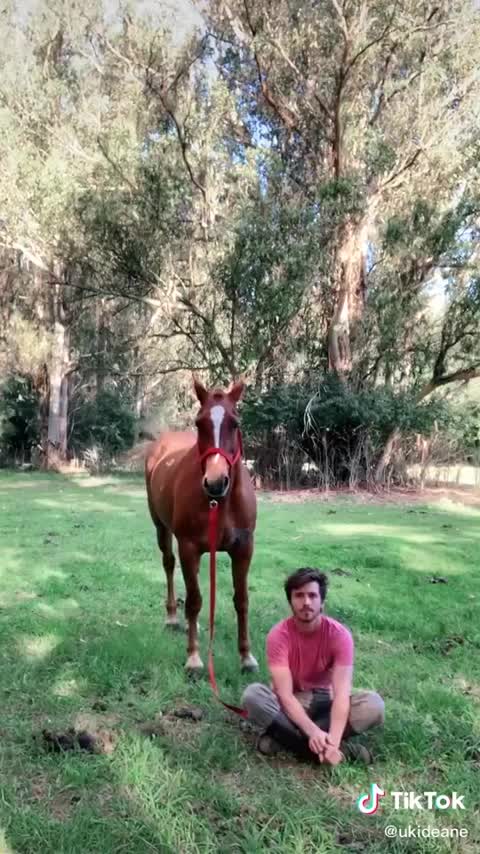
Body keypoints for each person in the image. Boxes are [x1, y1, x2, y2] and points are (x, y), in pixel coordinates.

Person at [242, 567, 384, 765]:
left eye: (312, 595)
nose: (306, 602)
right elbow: (285, 695)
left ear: (322, 601)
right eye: (299, 595)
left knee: (374, 705)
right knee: (253, 695)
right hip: (294, 702)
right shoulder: (278, 635)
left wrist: (333, 742)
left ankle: (286, 740)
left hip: (327, 702)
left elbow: (342, 695)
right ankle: (336, 751)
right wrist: (313, 732)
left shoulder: (339, 635)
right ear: (290, 601)